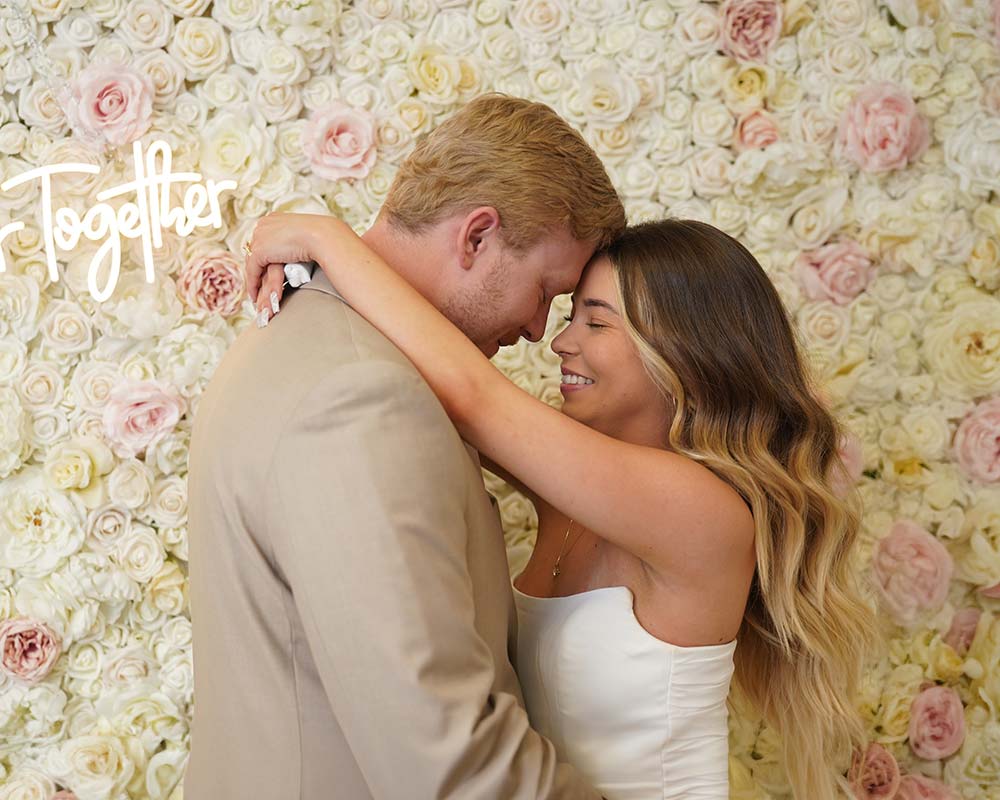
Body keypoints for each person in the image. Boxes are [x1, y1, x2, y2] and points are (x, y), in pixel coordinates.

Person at [246, 214, 881, 800]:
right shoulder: (570, 490)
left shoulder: (701, 510)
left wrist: (326, 239)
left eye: (596, 323)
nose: (559, 344)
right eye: (571, 315)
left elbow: (474, 396)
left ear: (688, 354)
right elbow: (435, 384)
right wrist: (323, 293)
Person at [184, 94, 624, 800]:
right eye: (547, 290)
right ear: (477, 236)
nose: (542, 331)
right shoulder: (364, 397)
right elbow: (451, 764)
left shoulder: (299, 340)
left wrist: (329, 238)